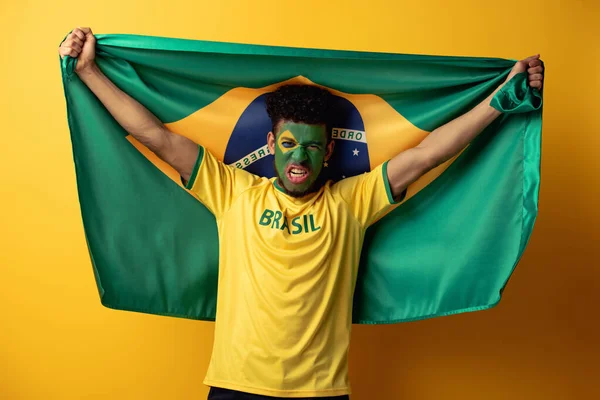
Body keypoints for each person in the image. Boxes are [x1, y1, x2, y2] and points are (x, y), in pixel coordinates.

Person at [59, 27, 544, 400]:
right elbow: (155, 136)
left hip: (320, 392)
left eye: (311, 148)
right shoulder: (232, 190)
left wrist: (499, 102)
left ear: (329, 150)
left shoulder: (353, 201)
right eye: (288, 144)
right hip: (234, 385)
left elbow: (428, 154)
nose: (298, 159)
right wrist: (88, 72)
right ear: (271, 143)